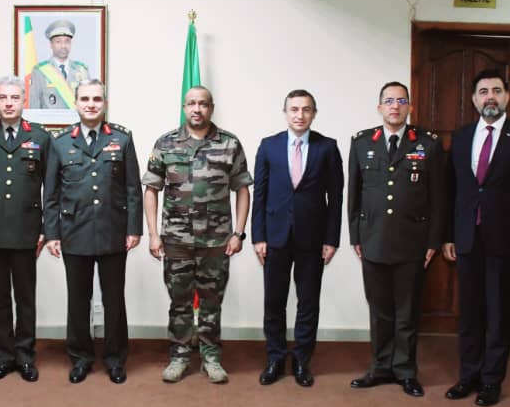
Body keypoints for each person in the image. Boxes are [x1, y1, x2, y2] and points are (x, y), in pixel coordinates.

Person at [442, 68, 510, 407]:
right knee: (469, 314)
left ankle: (491, 381)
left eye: (497, 91)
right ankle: (468, 376)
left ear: (507, 97)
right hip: (467, 240)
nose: (490, 97)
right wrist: (448, 235)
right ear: (474, 99)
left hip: (506, 242)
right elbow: (452, 190)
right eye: (484, 91)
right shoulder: (461, 137)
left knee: (498, 315)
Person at [142, 86, 252, 384]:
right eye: (191, 103)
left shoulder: (229, 144)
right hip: (176, 239)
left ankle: (211, 357)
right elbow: (151, 189)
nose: (197, 109)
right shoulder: (166, 143)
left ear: (211, 108)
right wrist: (153, 234)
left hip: (216, 240)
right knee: (179, 302)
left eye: (203, 104)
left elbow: (242, 189)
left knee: (211, 302)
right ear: (184, 107)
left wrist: (238, 233)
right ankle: (179, 357)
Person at [347, 82, 447, 396]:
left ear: (410, 107)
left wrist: (433, 242)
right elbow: (354, 194)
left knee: (407, 311)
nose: (395, 106)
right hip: (373, 239)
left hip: (412, 241)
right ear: (379, 107)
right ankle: (380, 367)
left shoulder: (428, 144)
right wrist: (355, 235)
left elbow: (439, 198)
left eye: (401, 101)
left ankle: (405, 370)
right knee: (379, 310)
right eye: (389, 101)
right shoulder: (362, 142)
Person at [45, 80, 143, 384]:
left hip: (114, 231)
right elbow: (51, 193)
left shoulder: (122, 139)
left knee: (114, 300)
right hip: (74, 232)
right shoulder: (60, 142)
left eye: (97, 99)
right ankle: (80, 358)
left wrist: (134, 228)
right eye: (85, 99)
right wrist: (52, 233)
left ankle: (115, 359)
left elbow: (132, 189)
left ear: (105, 103)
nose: (91, 104)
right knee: (78, 300)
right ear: (76, 103)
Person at [0, 75, 54, 383]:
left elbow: (50, 188)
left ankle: (25, 357)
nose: (9, 103)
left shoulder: (39, 136)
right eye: (3, 97)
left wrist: (46, 228)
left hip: (27, 231)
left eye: (14, 97)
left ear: (23, 100)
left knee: (25, 299)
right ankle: (2, 358)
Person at [251, 89, 343, 387]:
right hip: (274, 238)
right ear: (285, 112)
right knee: (274, 302)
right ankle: (275, 358)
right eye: (294, 109)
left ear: (314, 113)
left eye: (306, 109)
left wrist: (331, 239)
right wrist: (258, 236)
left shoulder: (327, 147)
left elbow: (336, 198)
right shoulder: (269, 146)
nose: (299, 115)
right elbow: (259, 195)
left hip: (312, 239)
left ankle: (302, 360)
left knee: (308, 302)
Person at [27, 20, 90, 109]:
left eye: (67, 41)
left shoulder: (81, 69)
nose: (63, 46)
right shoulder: (40, 71)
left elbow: (89, 103)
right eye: (58, 41)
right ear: (51, 44)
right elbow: (34, 105)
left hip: (76, 118)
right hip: (50, 118)